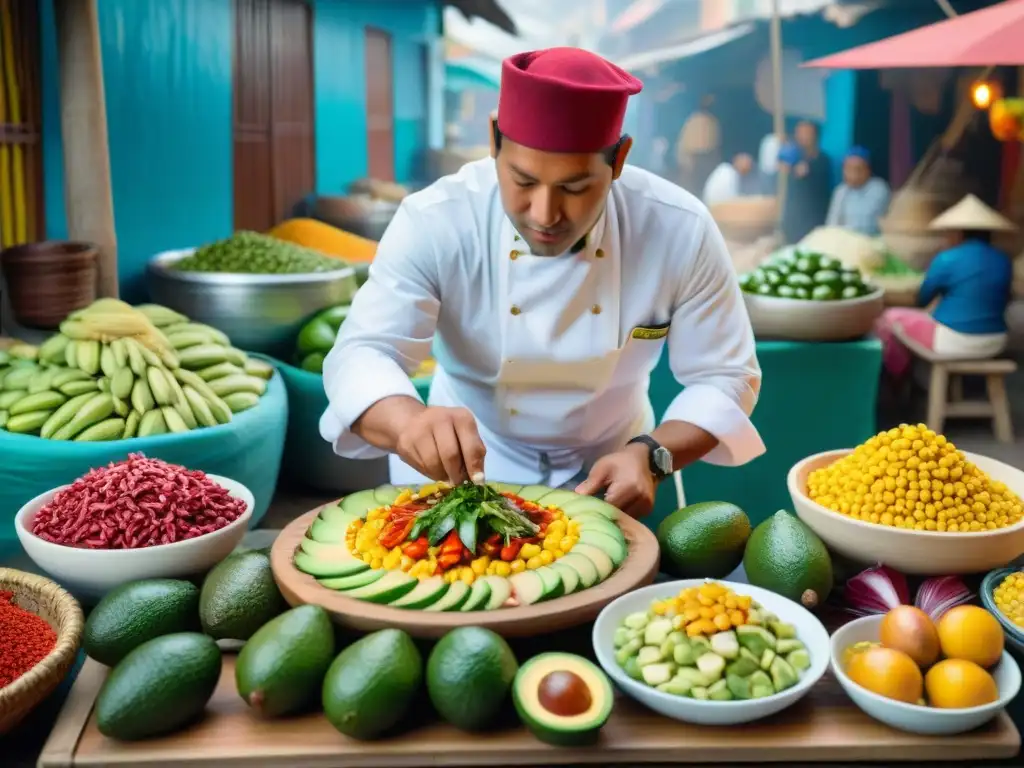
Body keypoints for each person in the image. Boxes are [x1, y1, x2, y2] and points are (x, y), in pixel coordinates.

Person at [319, 47, 764, 519]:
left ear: (619, 160)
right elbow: (363, 352)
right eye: (523, 181)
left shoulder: (678, 227)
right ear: (493, 139)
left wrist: (651, 456)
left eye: (575, 188)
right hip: (460, 470)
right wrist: (410, 422)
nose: (545, 213)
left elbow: (725, 376)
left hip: (614, 470)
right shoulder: (437, 221)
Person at [874, 194, 1016, 380]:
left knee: (887, 318)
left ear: (958, 234)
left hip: (955, 341)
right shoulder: (1003, 259)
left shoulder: (947, 258)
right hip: (996, 340)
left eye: (948, 233)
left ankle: (899, 379)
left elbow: (922, 299)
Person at [780, 121, 832, 244]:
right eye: (799, 133)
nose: (801, 137)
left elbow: (802, 171)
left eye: (806, 133)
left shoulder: (822, 160)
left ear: (816, 136)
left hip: (814, 223)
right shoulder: (793, 159)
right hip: (792, 225)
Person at [825, 147, 891, 236]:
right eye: (848, 169)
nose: (853, 174)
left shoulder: (879, 188)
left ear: (868, 170)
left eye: (858, 169)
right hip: (845, 242)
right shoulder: (840, 191)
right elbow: (832, 224)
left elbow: (868, 225)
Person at [675, 94, 722, 194]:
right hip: (694, 157)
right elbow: (684, 142)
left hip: (707, 157)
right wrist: (684, 158)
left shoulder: (712, 121)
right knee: (692, 187)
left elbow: (716, 143)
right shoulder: (693, 120)